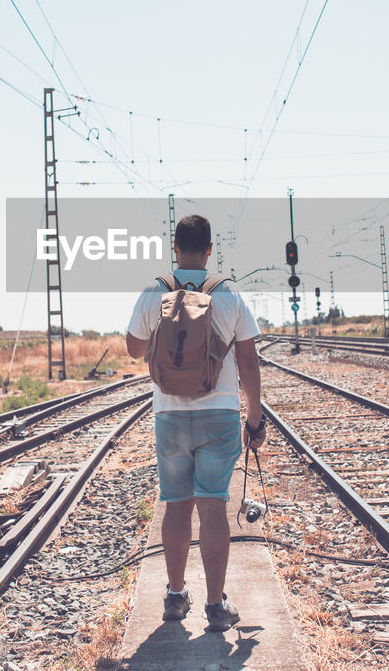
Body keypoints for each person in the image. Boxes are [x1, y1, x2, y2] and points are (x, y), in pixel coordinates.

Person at [126, 214, 266, 632]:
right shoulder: (229, 295)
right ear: (209, 249)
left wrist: (159, 334)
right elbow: (248, 360)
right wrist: (254, 415)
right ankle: (215, 605)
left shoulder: (155, 291)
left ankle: (173, 596)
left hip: (169, 413)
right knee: (212, 505)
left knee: (176, 504)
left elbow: (134, 350)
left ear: (174, 247)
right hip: (219, 413)